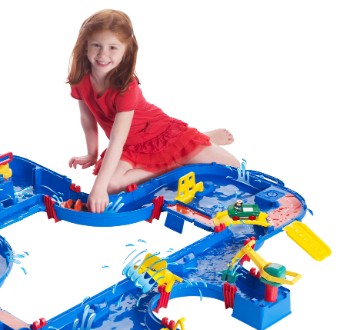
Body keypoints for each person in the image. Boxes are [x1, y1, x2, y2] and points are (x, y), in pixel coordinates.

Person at [67, 9, 240, 214]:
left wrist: (97, 188)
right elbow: (87, 120)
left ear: (126, 51)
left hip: (158, 133)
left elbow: (116, 140)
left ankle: (194, 142)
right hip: (130, 146)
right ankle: (183, 157)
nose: (103, 54)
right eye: (96, 45)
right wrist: (92, 153)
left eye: (113, 47)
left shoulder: (126, 87)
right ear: (85, 46)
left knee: (233, 166)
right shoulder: (80, 79)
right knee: (111, 185)